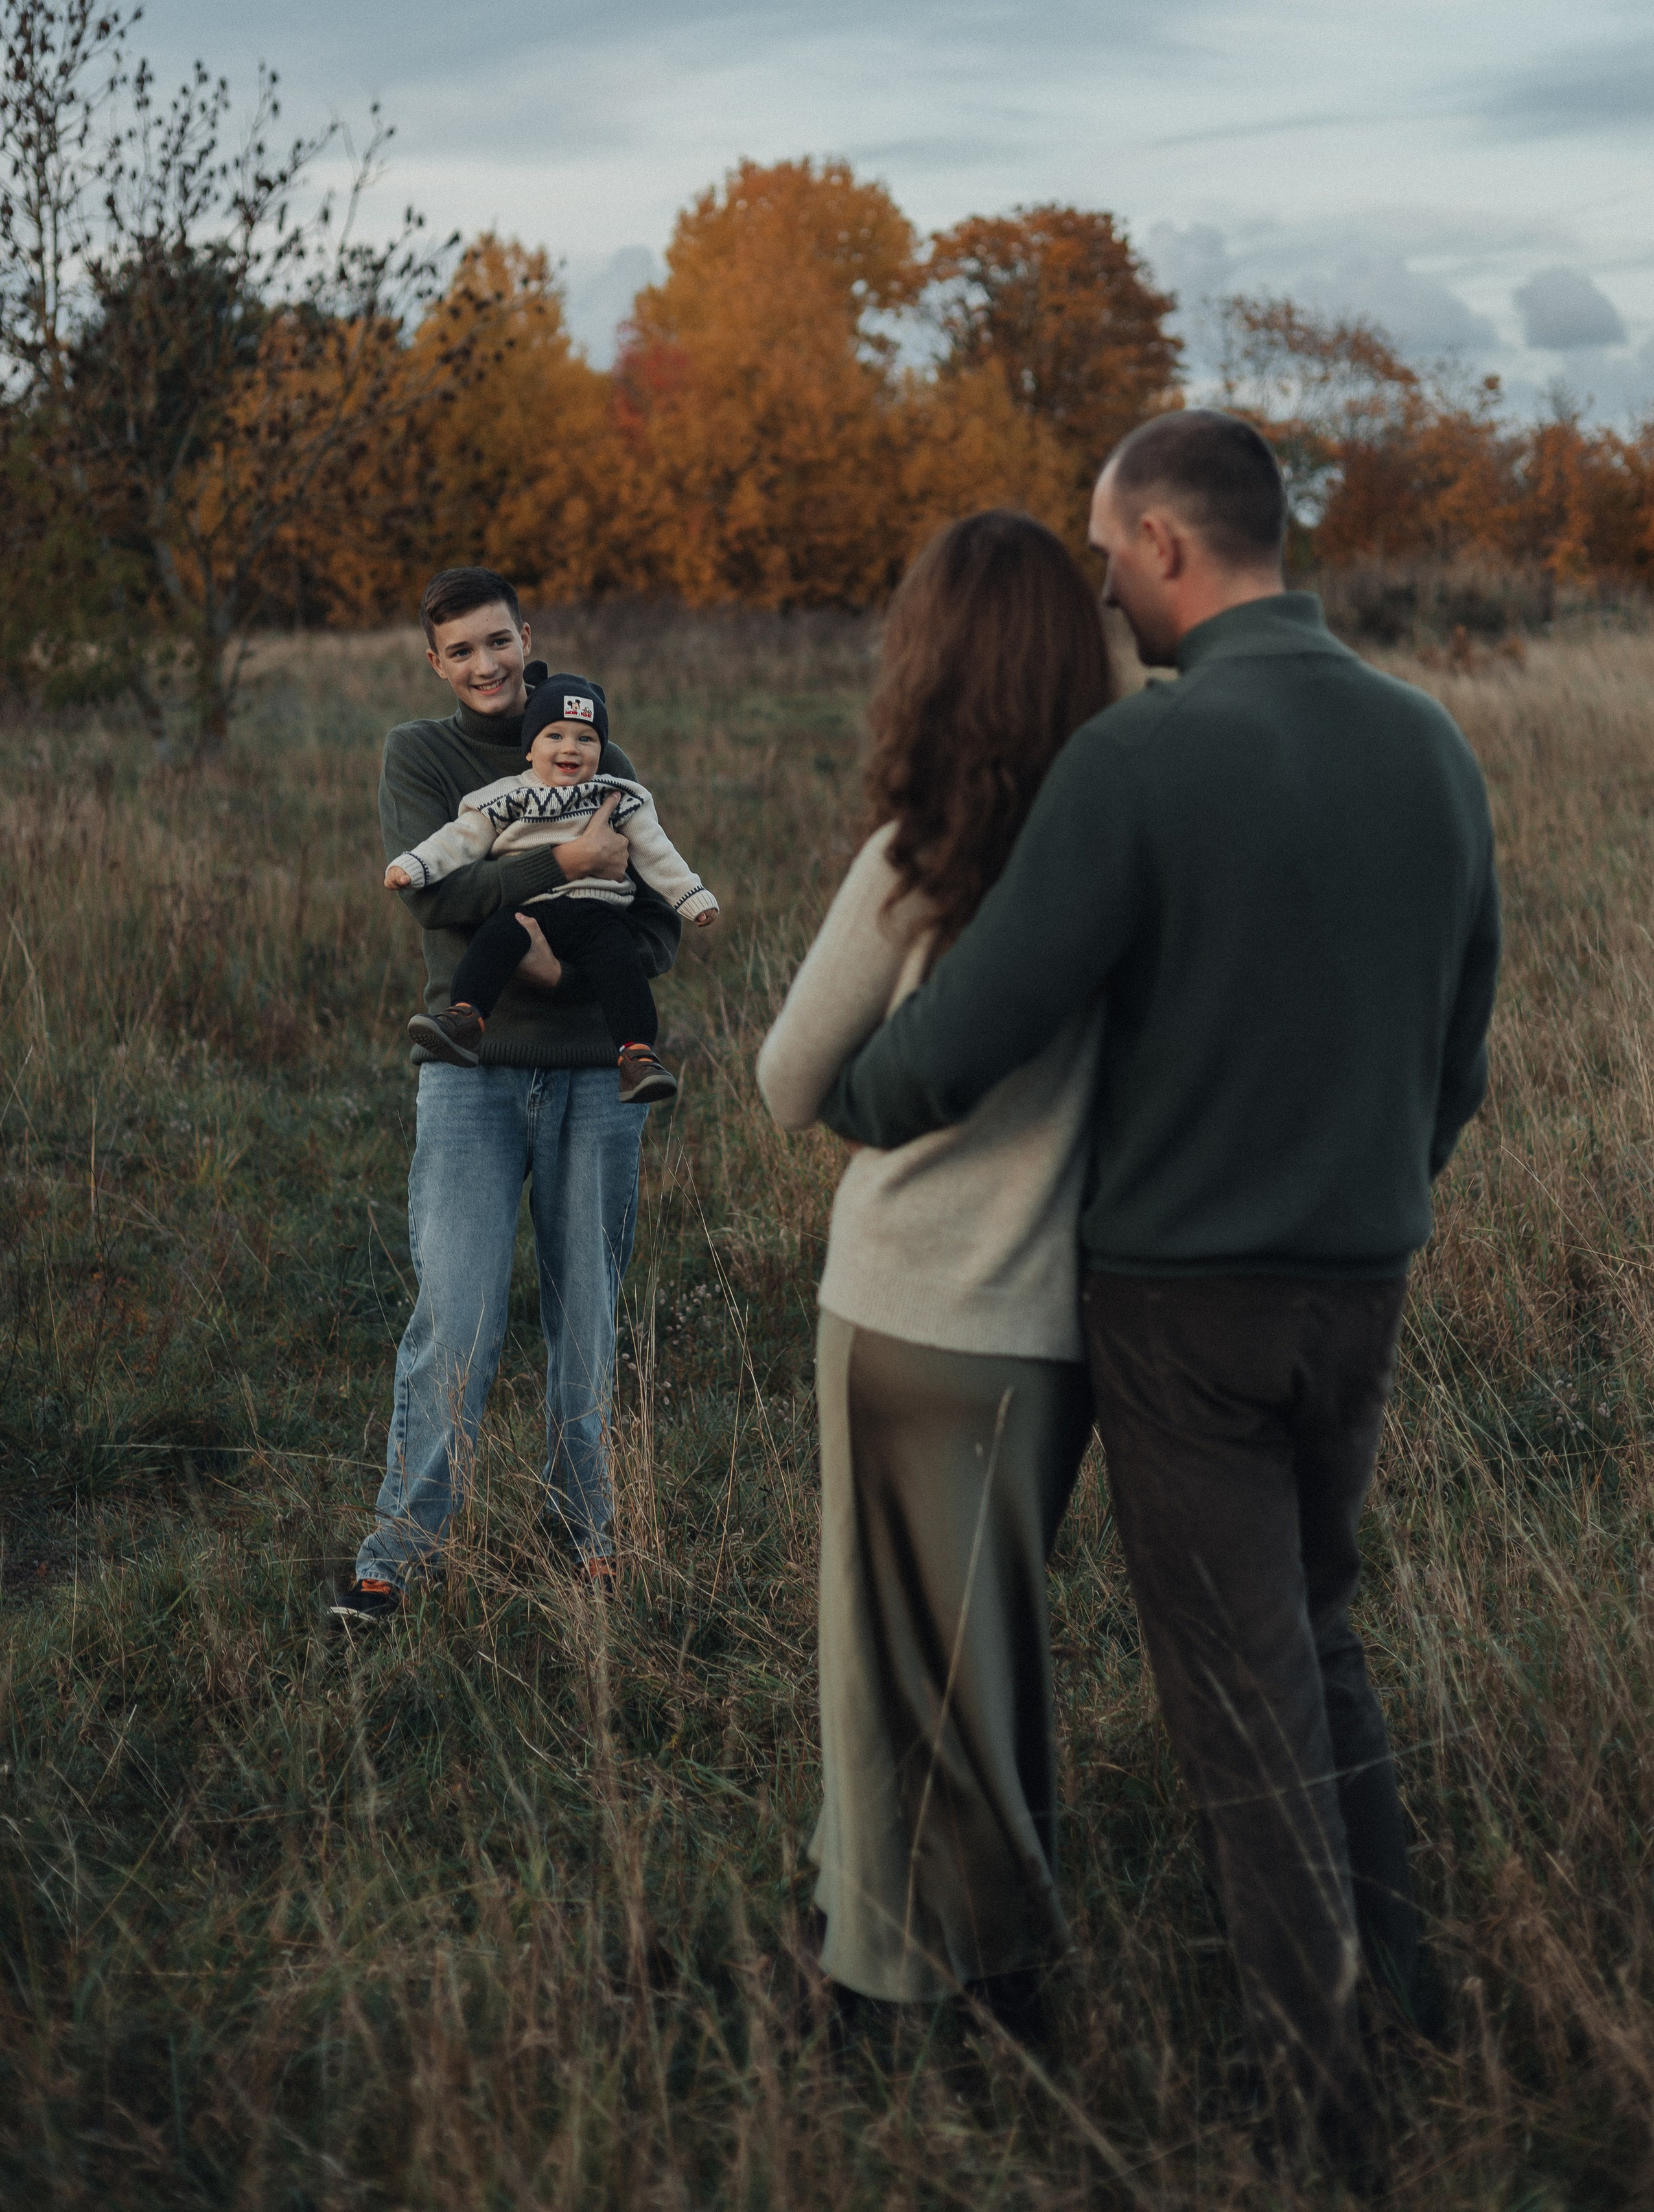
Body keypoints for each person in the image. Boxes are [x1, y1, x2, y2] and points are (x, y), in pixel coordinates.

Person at [819, 413, 1501, 2140]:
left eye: (1113, 551)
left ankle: (1321, 2102)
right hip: (1363, 1279)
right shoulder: (1433, 747)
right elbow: (1461, 1054)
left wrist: (860, 1096)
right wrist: (1369, 1199)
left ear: (1173, 549)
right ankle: (1407, 1991)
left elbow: (965, 1031)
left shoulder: (1149, 759)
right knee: (1320, 1635)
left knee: (1239, 1698)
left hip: (1184, 1303)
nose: (1102, 585)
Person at [756, 511, 1113, 2032]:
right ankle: (913, 1927)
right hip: (1059, 1333)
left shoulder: (919, 865)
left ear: (930, 662)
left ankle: (905, 1982)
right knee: (985, 1650)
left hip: (909, 1315)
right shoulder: (1127, 852)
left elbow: (784, 1081)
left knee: (889, 1668)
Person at [332, 568, 681, 1624]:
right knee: (459, 1312)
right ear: (437, 664)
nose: (488, 665)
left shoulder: (596, 752)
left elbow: (654, 926)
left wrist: (564, 969)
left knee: (586, 1314)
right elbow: (431, 890)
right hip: (471, 1076)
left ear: (528, 637)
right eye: (463, 651)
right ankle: (402, 1547)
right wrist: (567, 863)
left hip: (591, 1076)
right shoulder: (422, 754)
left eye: (500, 642)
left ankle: (588, 1535)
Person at [385, 671, 719, 1104]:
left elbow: (657, 852)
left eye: (586, 739)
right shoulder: (505, 796)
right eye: (555, 735)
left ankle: (637, 1056)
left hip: (600, 913)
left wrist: (693, 899)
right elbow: (460, 838)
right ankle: (465, 1018)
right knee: (496, 939)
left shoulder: (619, 796)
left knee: (620, 963)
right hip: (530, 908)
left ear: (603, 749)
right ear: (529, 748)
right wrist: (414, 866)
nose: (570, 748)